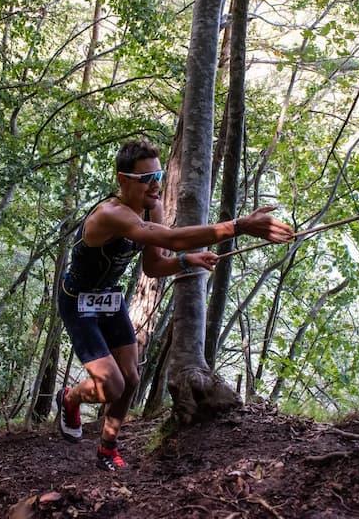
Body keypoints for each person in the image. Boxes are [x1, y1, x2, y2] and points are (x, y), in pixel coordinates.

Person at [55, 139, 294, 471]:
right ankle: (70, 398)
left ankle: (107, 448)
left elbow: (154, 265)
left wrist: (185, 261)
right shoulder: (110, 214)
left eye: (159, 176)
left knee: (131, 379)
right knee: (111, 384)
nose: (156, 185)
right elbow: (171, 238)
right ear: (123, 180)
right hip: (78, 302)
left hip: (108, 297)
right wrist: (238, 226)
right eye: (146, 179)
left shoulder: (151, 207)